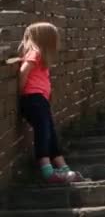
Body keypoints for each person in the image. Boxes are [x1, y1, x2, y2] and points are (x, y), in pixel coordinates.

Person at [18, 22, 84, 184]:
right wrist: (20, 92)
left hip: (40, 99)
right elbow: (23, 71)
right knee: (43, 133)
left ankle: (64, 169)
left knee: (50, 133)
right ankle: (47, 171)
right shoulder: (35, 52)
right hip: (33, 99)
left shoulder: (40, 56)